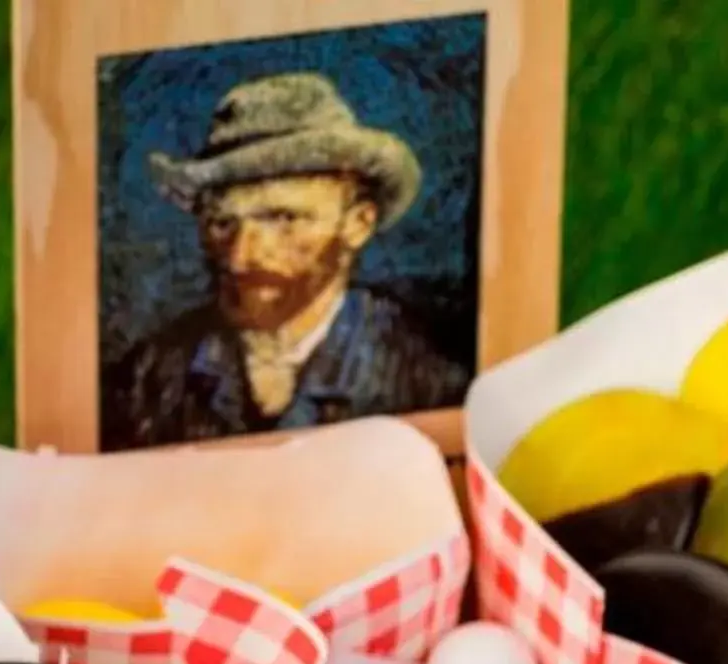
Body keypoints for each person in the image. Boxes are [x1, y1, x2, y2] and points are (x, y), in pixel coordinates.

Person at [108, 72, 471, 448]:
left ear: (358, 224)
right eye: (221, 223)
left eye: (283, 219)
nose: (240, 256)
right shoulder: (146, 377)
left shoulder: (426, 375)